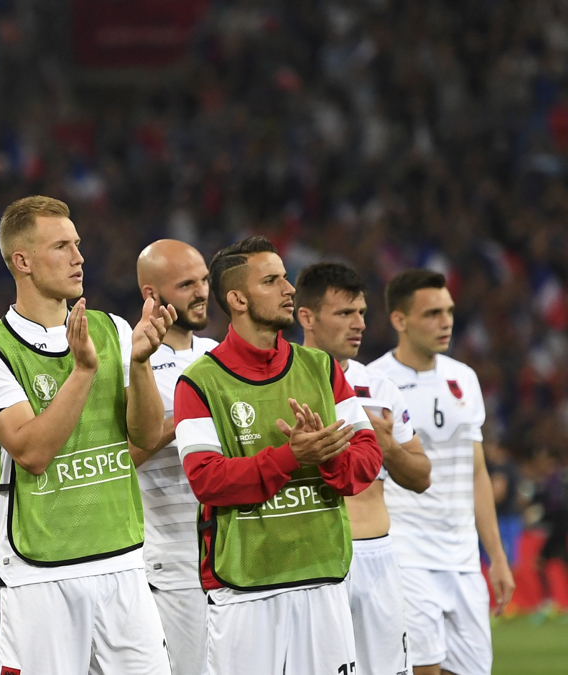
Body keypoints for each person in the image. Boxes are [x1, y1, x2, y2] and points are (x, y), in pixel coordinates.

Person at [0, 196, 173, 675]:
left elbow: (144, 433)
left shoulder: (112, 328)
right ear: (23, 261)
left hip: (122, 559)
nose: (79, 257)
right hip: (40, 569)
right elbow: (32, 452)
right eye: (61, 246)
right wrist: (82, 372)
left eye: (77, 244)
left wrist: (139, 364)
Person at [173, 236, 382, 675]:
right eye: (272, 280)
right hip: (246, 588)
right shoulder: (199, 383)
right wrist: (290, 457)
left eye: (285, 278)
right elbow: (207, 480)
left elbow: (367, 458)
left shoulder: (320, 368)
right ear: (238, 299)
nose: (289, 289)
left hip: (323, 579)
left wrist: (327, 459)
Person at [367, 270, 516, 675]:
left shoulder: (463, 378)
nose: (445, 321)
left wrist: (497, 558)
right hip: (407, 554)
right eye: (432, 313)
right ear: (400, 320)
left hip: (464, 559)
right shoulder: (374, 382)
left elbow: (476, 474)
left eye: (448, 311)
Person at [295, 262, 432, 675]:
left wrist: (386, 445)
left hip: (376, 557)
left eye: (361, 313)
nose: (358, 324)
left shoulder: (380, 387)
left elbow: (422, 476)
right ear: (307, 317)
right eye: (344, 314)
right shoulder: (281, 381)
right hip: (311, 558)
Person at [128, 239, 217, 675]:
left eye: (204, 280)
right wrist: (182, 421)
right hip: (170, 557)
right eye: (186, 284)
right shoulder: (130, 361)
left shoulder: (220, 355)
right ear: (152, 294)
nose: (202, 292)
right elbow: (119, 458)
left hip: (230, 550)